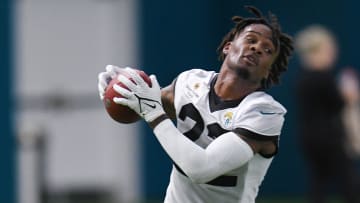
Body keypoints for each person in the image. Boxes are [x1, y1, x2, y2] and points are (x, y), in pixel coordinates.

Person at [98, 6, 293, 203]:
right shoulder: (190, 81)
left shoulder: (264, 112)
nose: (257, 48)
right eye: (251, 39)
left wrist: (152, 111)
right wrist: (118, 90)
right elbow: (140, 107)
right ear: (228, 46)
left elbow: (202, 169)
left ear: (269, 70)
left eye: (267, 50)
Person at [294, 25, 359, 203]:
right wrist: (350, 96)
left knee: (318, 181)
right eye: (329, 49)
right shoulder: (322, 76)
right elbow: (337, 104)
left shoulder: (303, 77)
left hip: (309, 138)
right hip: (329, 138)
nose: (333, 53)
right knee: (348, 181)